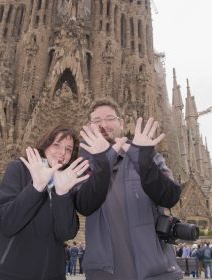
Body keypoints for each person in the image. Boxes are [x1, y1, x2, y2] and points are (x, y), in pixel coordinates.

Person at [0, 124, 111, 280]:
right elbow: (5, 223)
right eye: (56, 145)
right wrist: (36, 187)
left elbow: (66, 233)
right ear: (45, 145)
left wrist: (62, 194)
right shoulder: (20, 169)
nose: (62, 153)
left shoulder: (66, 182)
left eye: (69, 149)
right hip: (6, 274)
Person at [76, 98, 183, 280]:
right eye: (96, 120)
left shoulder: (147, 156)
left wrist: (144, 159)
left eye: (110, 118)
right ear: (89, 126)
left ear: (122, 123)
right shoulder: (83, 165)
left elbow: (170, 196)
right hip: (105, 273)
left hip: (154, 271)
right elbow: (84, 205)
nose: (103, 124)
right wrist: (103, 160)